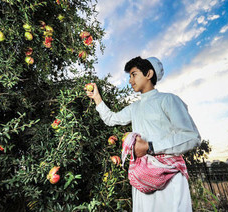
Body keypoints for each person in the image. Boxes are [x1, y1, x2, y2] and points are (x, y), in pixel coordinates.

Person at [86, 56, 201, 212]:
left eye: (134, 74)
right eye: (129, 76)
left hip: (169, 178)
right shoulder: (135, 108)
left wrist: (150, 147)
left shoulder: (168, 100)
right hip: (143, 178)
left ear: (149, 74)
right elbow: (111, 119)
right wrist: (97, 98)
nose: (130, 80)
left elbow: (191, 136)